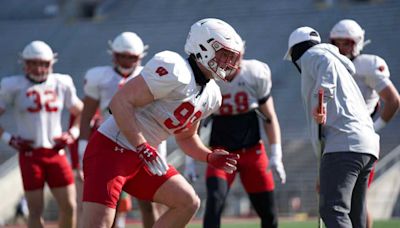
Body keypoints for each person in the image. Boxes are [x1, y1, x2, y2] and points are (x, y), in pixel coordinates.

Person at [81, 18, 241, 228]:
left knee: (187, 202)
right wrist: (141, 146)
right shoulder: (175, 69)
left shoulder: (212, 95)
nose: (227, 62)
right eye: (223, 54)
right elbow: (120, 102)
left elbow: (186, 137)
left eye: (231, 57)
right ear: (203, 46)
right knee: (100, 224)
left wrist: (209, 156)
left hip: (144, 157)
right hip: (111, 150)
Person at [284, 27, 379, 228]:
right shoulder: (339, 63)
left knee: (332, 209)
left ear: (294, 53)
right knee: (355, 213)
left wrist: (321, 102)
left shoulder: (313, 55)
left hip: (344, 144)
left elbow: (323, 65)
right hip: (366, 144)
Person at [184, 40, 286, 227]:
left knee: (268, 212)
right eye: (226, 55)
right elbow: (194, 122)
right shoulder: (209, 77)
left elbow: (269, 116)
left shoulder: (255, 73)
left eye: (235, 56)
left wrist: (276, 154)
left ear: (242, 55)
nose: (230, 61)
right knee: (214, 202)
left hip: (253, 150)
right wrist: (190, 160)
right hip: (221, 151)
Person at [77, 31, 167, 228]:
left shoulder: (150, 75)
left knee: (148, 204)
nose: (126, 61)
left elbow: (160, 117)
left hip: (143, 141)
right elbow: (86, 115)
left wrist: (161, 152)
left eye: (131, 57)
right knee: (110, 203)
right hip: (111, 145)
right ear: (113, 55)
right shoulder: (98, 77)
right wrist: (82, 149)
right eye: (123, 56)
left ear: (140, 57)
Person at [0, 40, 83, 228]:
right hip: (30, 155)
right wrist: (9, 138)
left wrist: (73, 132)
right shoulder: (13, 85)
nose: (39, 68)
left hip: (56, 153)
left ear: (51, 64)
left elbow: (81, 111)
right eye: (34, 63)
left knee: (69, 206)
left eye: (43, 64)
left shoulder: (62, 82)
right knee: (35, 210)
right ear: (25, 64)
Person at [329, 19, 400, 228]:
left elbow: (393, 100)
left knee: (353, 202)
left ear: (358, 43)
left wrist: (375, 127)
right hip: (337, 135)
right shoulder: (331, 63)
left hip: (357, 139)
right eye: (338, 43)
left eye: (347, 43)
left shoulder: (367, 64)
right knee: (348, 201)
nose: (341, 48)